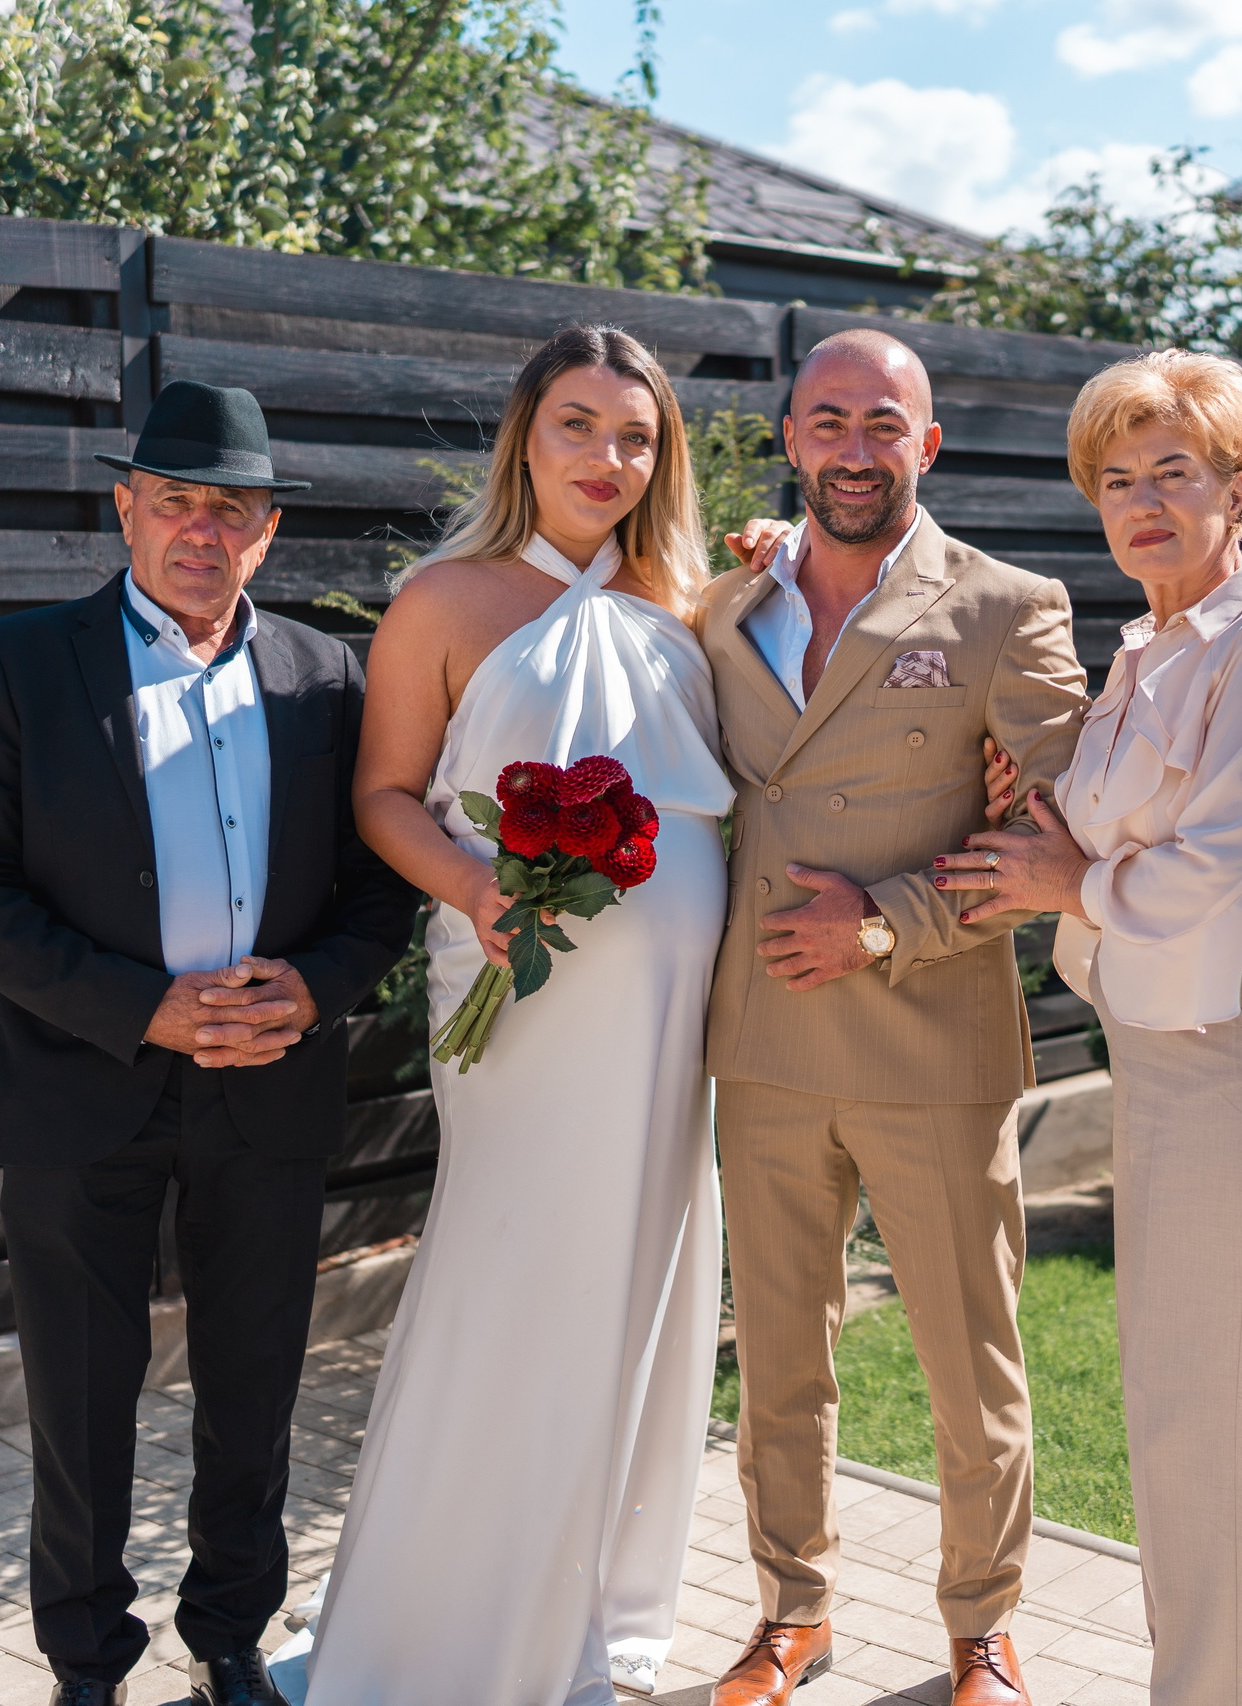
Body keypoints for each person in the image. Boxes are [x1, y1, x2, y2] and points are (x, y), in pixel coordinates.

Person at [0, 381, 417, 1706]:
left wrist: (313, 988)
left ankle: (234, 1642)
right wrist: (141, 1003)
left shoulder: (326, 676)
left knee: (252, 1387)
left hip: (272, 1089)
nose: (203, 530)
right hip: (83, 1090)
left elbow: (380, 889)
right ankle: (87, 1663)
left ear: (267, 531)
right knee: (79, 1400)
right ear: (126, 507)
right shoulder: (23, 662)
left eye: (233, 509)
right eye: (177, 501)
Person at [297, 326, 735, 1706]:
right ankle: (448, 1626)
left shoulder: (690, 607)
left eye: (636, 436)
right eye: (576, 425)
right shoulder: (444, 597)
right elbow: (382, 797)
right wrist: (478, 884)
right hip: (517, 1011)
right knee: (510, 1277)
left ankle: (589, 1600)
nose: (607, 457)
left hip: (670, 1028)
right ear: (522, 438)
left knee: (636, 1289)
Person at [943, 349, 1242, 1706]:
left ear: (1236, 488)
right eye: (1115, 479)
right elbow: (1099, 846)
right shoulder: (1146, 651)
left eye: (1172, 473)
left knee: (1219, 1437)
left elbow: (1222, 858)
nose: (1140, 501)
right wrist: (1041, 816)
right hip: (1169, 1061)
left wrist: (1066, 878)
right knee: (1197, 1429)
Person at [698, 329, 1087, 1706]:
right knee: (781, 1357)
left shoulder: (1006, 606)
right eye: (827, 422)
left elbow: (1054, 835)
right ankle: (789, 1612)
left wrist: (883, 919)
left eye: (883, 424)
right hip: (763, 1040)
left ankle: (983, 1629)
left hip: (930, 1034)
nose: (854, 448)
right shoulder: (726, 602)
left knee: (967, 1364)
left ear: (928, 445)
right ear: (790, 439)